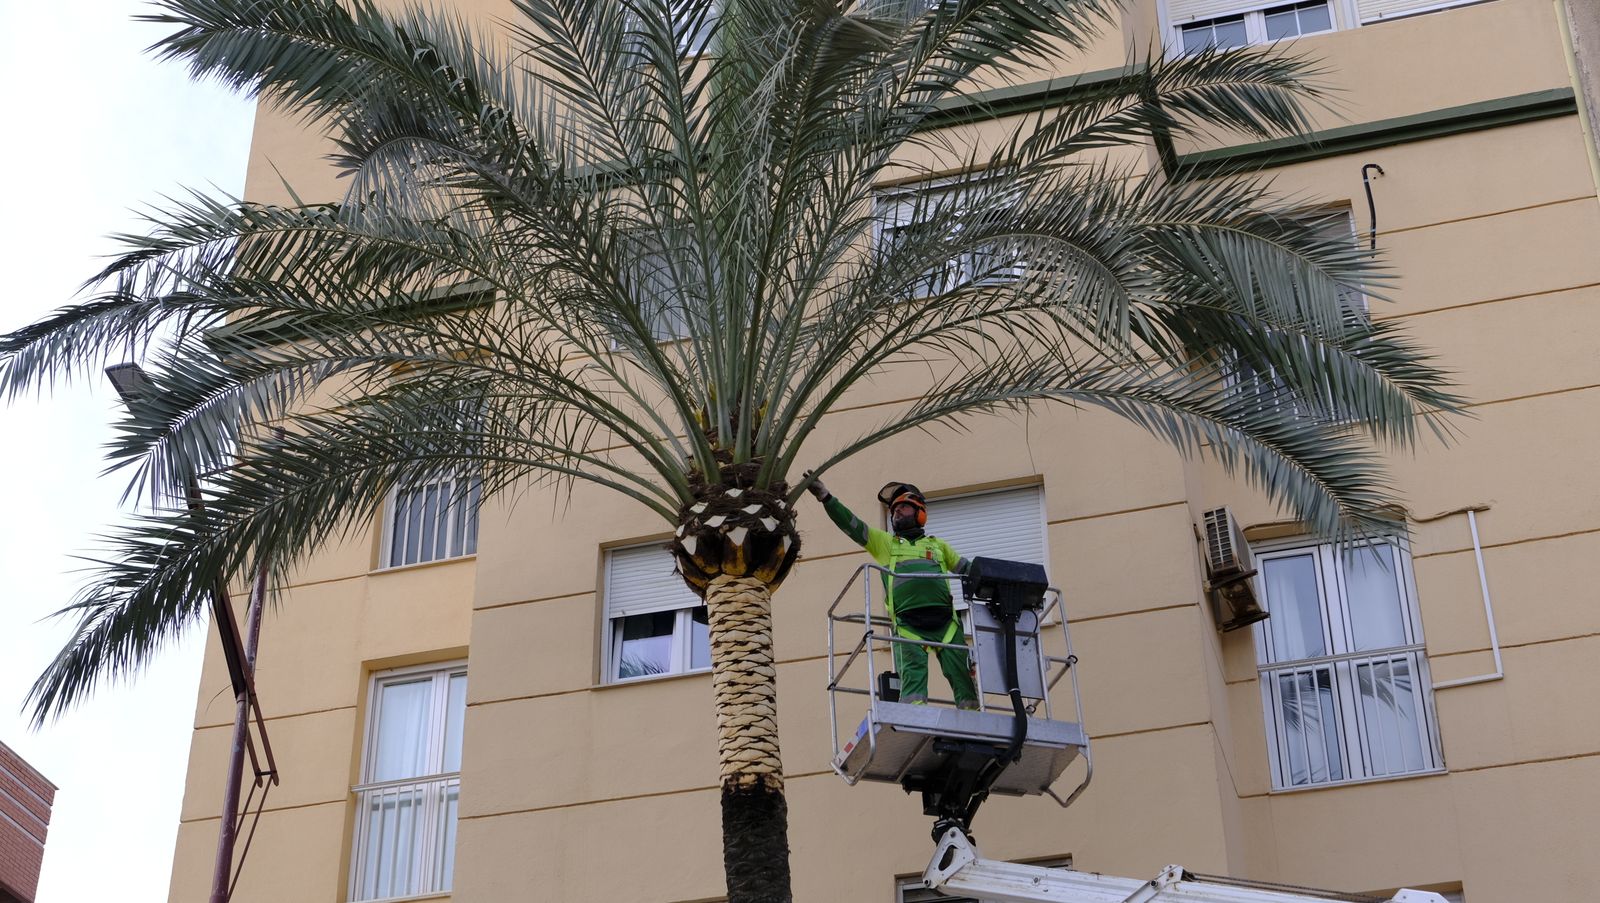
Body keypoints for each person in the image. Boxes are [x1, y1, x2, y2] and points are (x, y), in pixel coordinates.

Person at [806, 474, 978, 709]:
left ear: (921, 513)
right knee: (913, 677)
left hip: (947, 624)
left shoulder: (938, 546)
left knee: (961, 674)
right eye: (894, 510)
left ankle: (972, 717)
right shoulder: (885, 543)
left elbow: (970, 571)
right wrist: (826, 498)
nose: (896, 513)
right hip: (908, 627)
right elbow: (853, 525)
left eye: (904, 508)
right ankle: (916, 718)